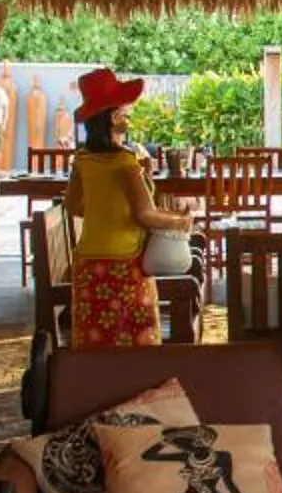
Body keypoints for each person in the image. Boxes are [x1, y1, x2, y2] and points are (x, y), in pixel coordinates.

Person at [64, 68, 190, 348]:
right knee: (135, 342)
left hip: (88, 263)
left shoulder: (82, 159)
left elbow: (73, 204)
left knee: (95, 343)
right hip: (123, 264)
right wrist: (179, 222)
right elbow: (144, 215)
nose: (128, 119)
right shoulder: (124, 163)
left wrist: (105, 209)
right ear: (113, 118)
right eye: (125, 113)